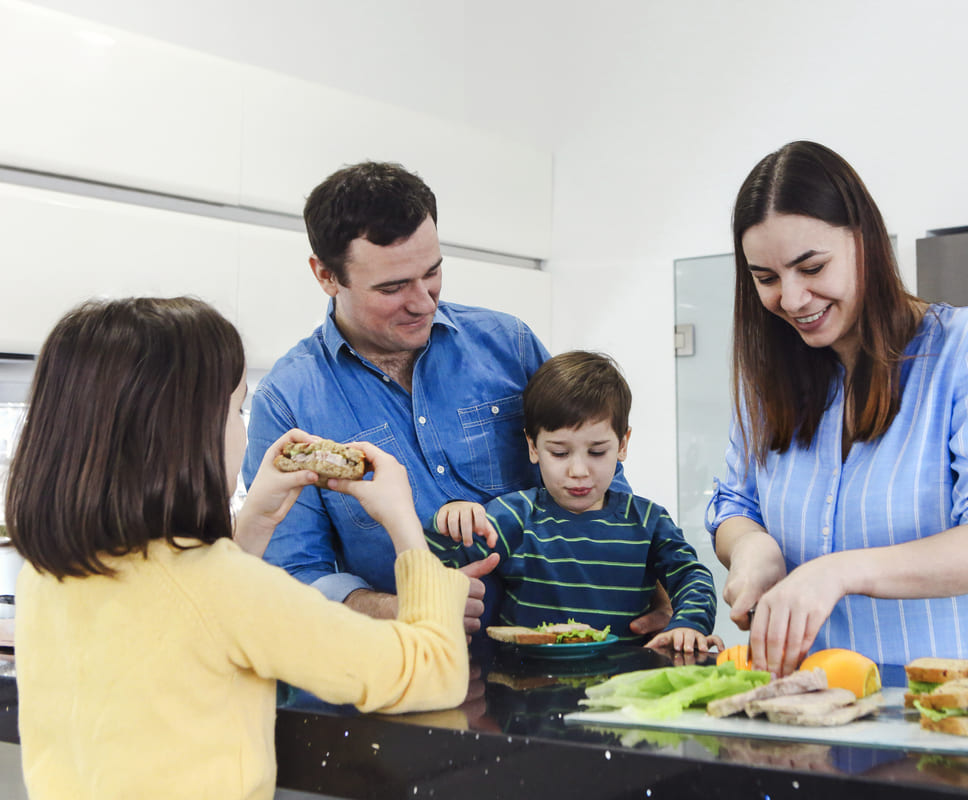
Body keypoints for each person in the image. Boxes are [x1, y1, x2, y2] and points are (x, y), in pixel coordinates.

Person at [5, 297, 470, 799]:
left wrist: (254, 524)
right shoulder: (224, 589)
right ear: (189, 431)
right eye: (237, 408)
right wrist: (404, 525)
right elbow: (433, 672)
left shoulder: (45, 574)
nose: (243, 429)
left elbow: (193, 627)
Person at [241, 161, 672, 634]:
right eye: (392, 287)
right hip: (398, 675)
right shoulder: (287, 400)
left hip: (569, 646)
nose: (423, 301)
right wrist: (404, 608)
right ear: (326, 275)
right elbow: (291, 576)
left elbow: (598, 466)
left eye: (432, 272)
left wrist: (652, 578)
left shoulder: (509, 344)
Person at [707, 141, 968, 676]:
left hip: (960, 707)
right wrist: (751, 545)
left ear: (865, 241)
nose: (792, 300)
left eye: (812, 267)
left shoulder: (967, 346)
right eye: (767, 279)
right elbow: (733, 504)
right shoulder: (766, 378)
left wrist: (838, 573)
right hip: (816, 703)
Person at [437, 351, 721, 651]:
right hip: (526, 687)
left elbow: (693, 577)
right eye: (559, 453)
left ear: (622, 445)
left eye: (597, 452)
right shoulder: (515, 514)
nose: (578, 471)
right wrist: (453, 519)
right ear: (533, 448)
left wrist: (688, 624)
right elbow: (438, 568)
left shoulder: (649, 521)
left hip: (623, 687)